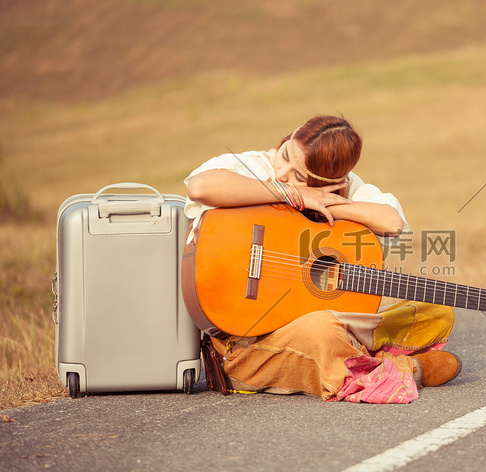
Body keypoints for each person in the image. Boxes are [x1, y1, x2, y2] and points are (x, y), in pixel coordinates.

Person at [184, 115, 461, 404]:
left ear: (329, 182)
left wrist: (327, 203)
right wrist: (293, 192)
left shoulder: (347, 188)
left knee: (436, 309)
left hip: (319, 324)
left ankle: (355, 358)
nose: (282, 172)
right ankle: (407, 368)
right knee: (323, 330)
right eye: (286, 156)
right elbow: (201, 187)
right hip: (246, 347)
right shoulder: (258, 165)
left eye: (299, 176)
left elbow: (391, 223)